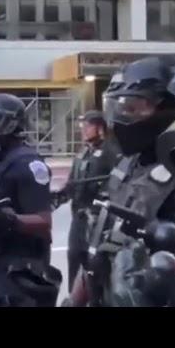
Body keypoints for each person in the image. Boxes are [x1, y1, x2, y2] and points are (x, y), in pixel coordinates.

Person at [68, 56, 175, 307]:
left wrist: (162, 271)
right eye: (120, 107)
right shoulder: (128, 165)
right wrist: (74, 300)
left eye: (134, 107)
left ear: (172, 107)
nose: (122, 117)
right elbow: (102, 247)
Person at [0, 93, 57, 307]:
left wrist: (10, 219)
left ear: (11, 125)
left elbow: (43, 221)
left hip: (19, 267)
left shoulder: (27, 163)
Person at [54, 110, 120, 291]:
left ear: (100, 128)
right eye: (81, 125)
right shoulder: (83, 152)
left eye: (87, 125)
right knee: (74, 258)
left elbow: (118, 185)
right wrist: (58, 197)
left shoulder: (112, 152)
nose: (83, 129)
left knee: (97, 265)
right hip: (80, 218)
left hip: (100, 221)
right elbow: (72, 183)